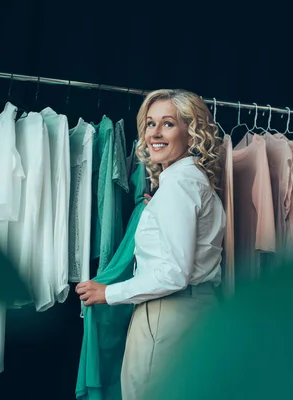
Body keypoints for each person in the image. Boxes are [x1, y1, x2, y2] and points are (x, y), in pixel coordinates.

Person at [76, 89, 226, 399]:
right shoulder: (191, 181)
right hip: (197, 312)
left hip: (167, 315)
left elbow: (174, 273)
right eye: (150, 123)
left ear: (191, 130)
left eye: (168, 124)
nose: (154, 133)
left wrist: (109, 293)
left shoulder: (178, 187)